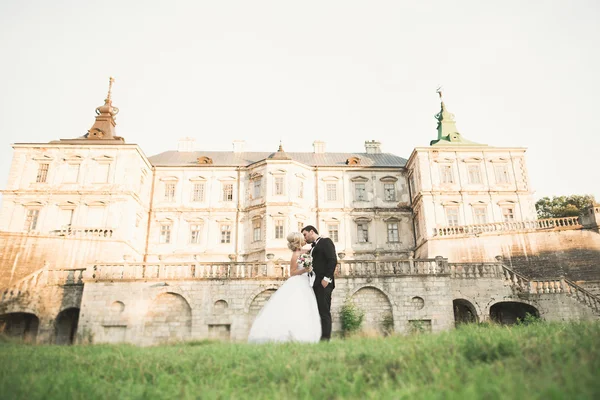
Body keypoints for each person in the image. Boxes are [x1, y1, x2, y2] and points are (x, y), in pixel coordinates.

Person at [247, 232, 321, 343]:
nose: (305, 240)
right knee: (297, 307)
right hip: (299, 281)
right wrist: (305, 269)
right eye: (302, 239)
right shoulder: (295, 255)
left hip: (306, 281)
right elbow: (292, 272)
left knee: (306, 307)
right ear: (298, 242)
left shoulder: (305, 252)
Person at [301, 225, 337, 341]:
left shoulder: (326, 241)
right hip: (315, 284)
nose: (304, 238)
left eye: (305, 235)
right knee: (318, 311)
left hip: (324, 283)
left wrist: (327, 279)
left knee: (324, 311)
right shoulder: (312, 249)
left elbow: (332, 260)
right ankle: (319, 337)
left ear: (312, 232)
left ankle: (326, 339)